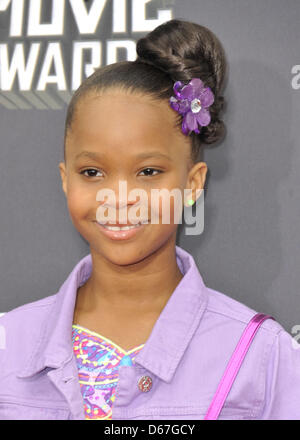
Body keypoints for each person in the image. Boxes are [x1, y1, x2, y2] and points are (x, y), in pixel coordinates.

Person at [0, 18, 300, 421]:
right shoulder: (8, 343)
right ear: (65, 179)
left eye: (148, 173)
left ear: (193, 184)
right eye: (92, 173)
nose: (119, 198)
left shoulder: (260, 356)